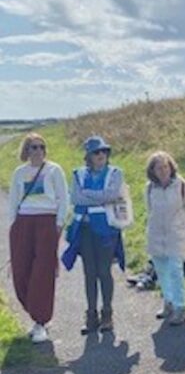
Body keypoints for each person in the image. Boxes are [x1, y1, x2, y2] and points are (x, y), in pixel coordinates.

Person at [8, 132, 68, 343]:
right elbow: (14, 200)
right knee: (21, 270)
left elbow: (63, 198)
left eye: (42, 147)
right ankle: (34, 312)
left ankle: (41, 320)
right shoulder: (19, 172)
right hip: (23, 221)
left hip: (46, 222)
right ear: (26, 150)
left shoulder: (54, 170)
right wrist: (13, 226)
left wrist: (59, 224)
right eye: (34, 147)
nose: (39, 151)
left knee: (42, 271)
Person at [64, 136, 125, 335]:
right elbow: (75, 198)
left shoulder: (115, 173)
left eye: (104, 152)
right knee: (89, 273)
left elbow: (112, 195)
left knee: (104, 271)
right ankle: (91, 315)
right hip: (84, 228)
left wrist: (88, 195)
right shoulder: (78, 173)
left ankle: (107, 313)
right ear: (88, 156)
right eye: (96, 152)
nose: (101, 155)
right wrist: (99, 197)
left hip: (107, 229)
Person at [145, 151, 185, 326]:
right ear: (152, 171)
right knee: (162, 271)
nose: (163, 170)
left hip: (176, 234)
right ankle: (168, 301)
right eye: (158, 168)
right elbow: (149, 209)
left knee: (175, 270)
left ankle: (181, 307)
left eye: (165, 166)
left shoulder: (182, 186)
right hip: (156, 234)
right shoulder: (150, 188)